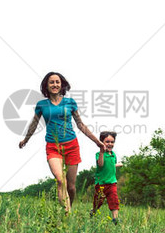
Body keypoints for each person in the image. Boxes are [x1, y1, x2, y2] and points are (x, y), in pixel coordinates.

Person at [19, 72, 104, 212]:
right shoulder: (42, 105)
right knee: (60, 180)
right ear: (46, 85)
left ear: (62, 84)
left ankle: (69, 205)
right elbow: (34, 124)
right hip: (53, 146)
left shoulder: (70, 102)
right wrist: (26, 139)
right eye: (51, 82)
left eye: (57, 82)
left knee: (71, 186)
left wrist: (97, 142)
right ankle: (67, 213)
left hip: (71, 145)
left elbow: (80, 124)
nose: (55, 84)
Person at [91, 131, 123, 224]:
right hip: (101, 183)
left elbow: (111, 165)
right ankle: (93, 212)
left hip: (112, 182)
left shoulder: (113, 155)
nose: (110, 144)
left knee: (114, 200)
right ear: (101, 142)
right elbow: (101, 164)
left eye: (112, 142)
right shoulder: (99, 154)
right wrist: (101, 151)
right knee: (98, 202)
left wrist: (118, 164)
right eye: (107, 142)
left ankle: (115, 219)